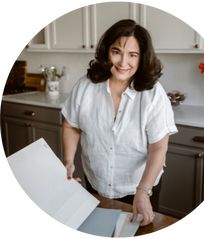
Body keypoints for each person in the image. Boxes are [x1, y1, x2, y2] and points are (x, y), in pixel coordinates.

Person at [61, 19, 178, 226]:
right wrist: (69, 161)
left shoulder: (153, 94)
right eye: (117, 51)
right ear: (107, 51)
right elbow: (71, 125)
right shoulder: (86, 86)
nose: (123, 62)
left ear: (142, 58)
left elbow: (159, 147)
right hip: (95, 182)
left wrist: (143, 191)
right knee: (98, 229)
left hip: (140, 187)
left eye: (132, 55)